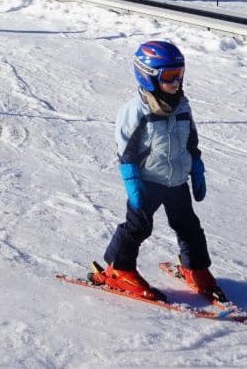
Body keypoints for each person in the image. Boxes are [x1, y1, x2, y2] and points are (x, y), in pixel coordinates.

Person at [91, 40, 225, 303]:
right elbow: (126, 152)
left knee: (189, 227)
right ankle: (119, 269)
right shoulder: (135, 111)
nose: (176, 83)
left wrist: (197, 167)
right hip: (148, 181)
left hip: (177, 180)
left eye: (180, 75)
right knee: (138, 227)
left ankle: (195, 267)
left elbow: (191, 140)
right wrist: (132, 181)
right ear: (148, 76)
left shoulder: (182, 105)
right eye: (170, 77)